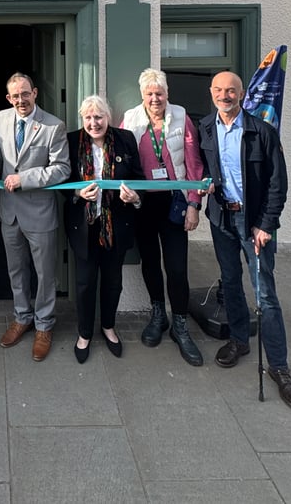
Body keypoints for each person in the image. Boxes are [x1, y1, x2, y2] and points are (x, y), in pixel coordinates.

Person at [199, 70, 291, 411]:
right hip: (221, 218)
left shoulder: (262, 132)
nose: (225, 96)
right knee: (230, 282)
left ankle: (279, 366)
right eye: (219, 90)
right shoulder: (204, 128)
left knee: (265, 294)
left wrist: (266, 224)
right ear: (211, 93)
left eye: (231, 90)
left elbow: (278, 184)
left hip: (254, 221)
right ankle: (239, 340)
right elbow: (201, 167)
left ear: (241, 94)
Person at [0, 72, 70, 362]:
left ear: (35, 93)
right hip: (9, 213)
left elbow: (61, 169)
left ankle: (44, 326)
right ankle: (22, 317)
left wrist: (23, 178)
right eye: (15, 96)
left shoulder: (54, 126)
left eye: (25, 94)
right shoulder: (2, 118)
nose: (20, 100)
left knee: (44, 274)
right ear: (9, 98)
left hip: (40, 214)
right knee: (16, 270)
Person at [121, 68, 205, 366]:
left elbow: (194, 164)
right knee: (150, 263)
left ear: (167, 94)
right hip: (143, 203)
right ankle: (159, 315)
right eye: (149, 94)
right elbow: (121, 159)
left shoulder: (181, 117)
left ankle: (180, 324)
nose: (155, 99)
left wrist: (194, 203)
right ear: (142, 95)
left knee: (177, 268)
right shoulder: (131, 119)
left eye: (159, 93)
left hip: (175, 201)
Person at [65, 95, 144, 363]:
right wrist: (77, 192)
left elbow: (138, 179)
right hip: (84, 226)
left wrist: (134, 198)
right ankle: (84, 334)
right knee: (85, 283)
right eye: (88, 117)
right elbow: (61, 182)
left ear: (108, 117)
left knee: (113, 282)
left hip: (117, 225)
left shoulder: (125, 139)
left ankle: (108, 327)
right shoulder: (71, 141)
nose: (93, 122)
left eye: (98, 117)